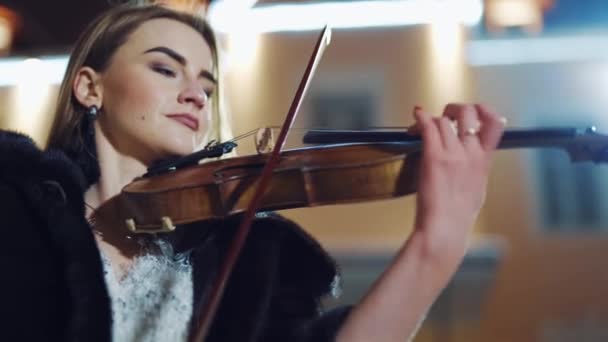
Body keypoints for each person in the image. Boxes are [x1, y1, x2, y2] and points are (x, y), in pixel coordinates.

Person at [0, 4, 506, 342]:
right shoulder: (19, 212)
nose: (196, 94)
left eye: (207, 85)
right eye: (165, 68)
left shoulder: (239, 255)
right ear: (91, 88)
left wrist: (436, 244)